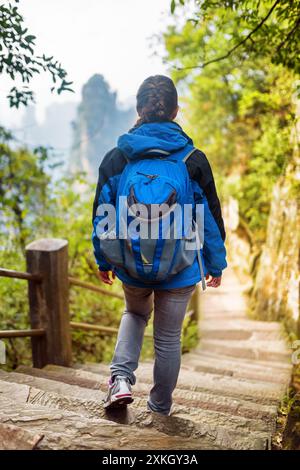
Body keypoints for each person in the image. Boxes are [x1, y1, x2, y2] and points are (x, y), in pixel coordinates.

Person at [92, 75, 227, 415]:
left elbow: (102, 214)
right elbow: (210, 216)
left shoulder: (118, 158)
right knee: (168, 339)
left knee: (135, 314)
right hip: (179, 265)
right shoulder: (193, 159)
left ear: (138, 109)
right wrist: (216, 263)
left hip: (132, 263)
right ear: (176, 111)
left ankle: (120, 381)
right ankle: (160, 408)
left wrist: (104, 259)